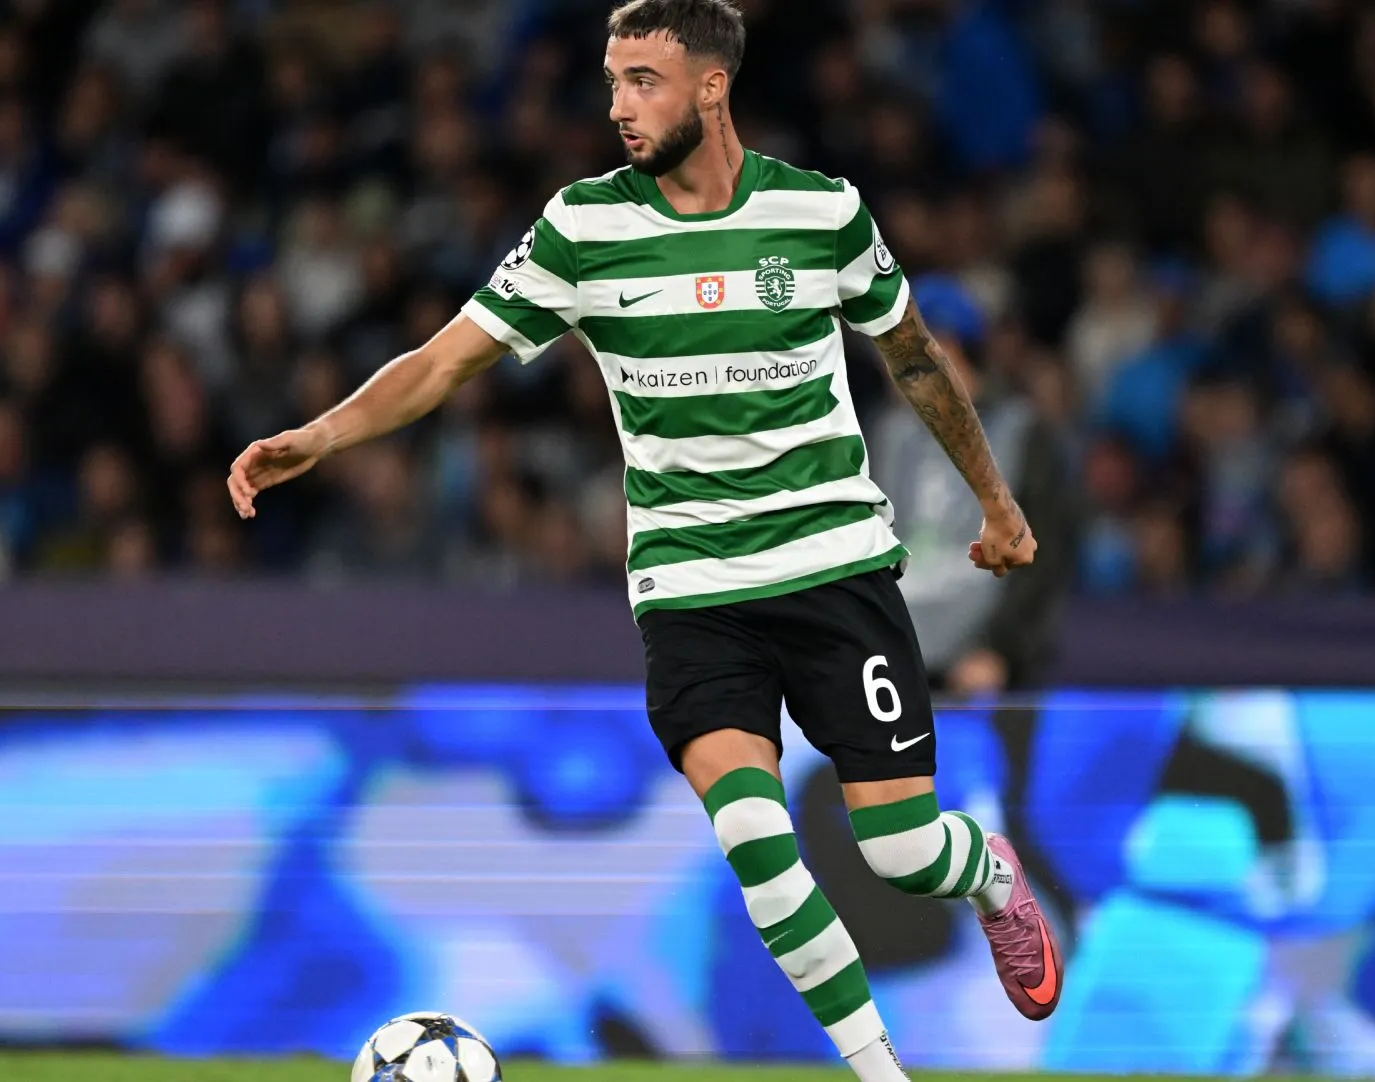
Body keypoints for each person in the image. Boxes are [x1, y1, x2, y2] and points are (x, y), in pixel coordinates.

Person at [225, 2, 1061, 1077]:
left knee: (901, 849)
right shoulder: (583, 228)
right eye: (613, 81)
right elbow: (442, 360)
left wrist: (997, 504)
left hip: (834, 570)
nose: (619, 106)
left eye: (644, 81)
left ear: (712, 87)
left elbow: (916, 359)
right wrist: (324, 433)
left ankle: (988, 873)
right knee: (757, 846)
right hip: (692, 591)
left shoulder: (822, 212)